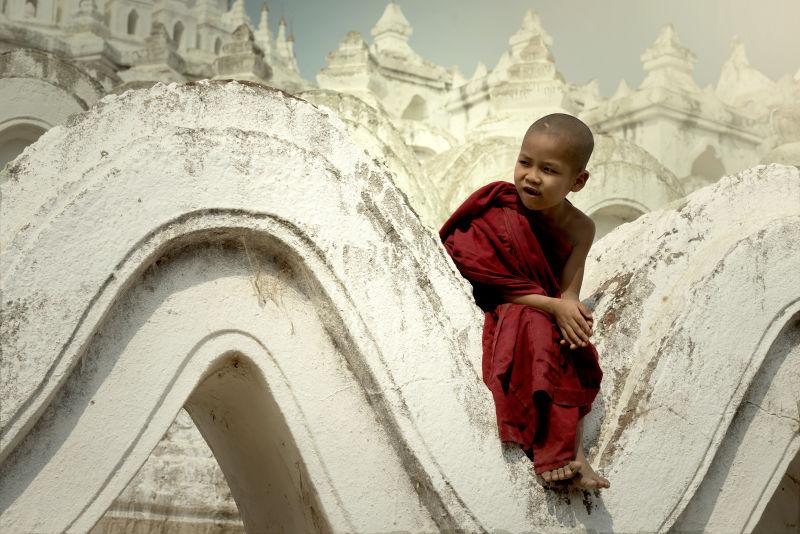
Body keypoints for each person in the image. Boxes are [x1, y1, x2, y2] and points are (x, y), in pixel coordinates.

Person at [439, 113, 610, 489]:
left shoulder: (582, 227)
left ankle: (574, 454)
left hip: (543, 305)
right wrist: (553, 307)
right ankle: (553, 451)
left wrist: (570, 310)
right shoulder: (497, 205)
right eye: (525, 162)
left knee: (576, 347)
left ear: (577, 181)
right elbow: (479, 272)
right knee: (535, 323)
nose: (531, 176)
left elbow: (568, 291)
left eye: (548, 170)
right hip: (505, 302)